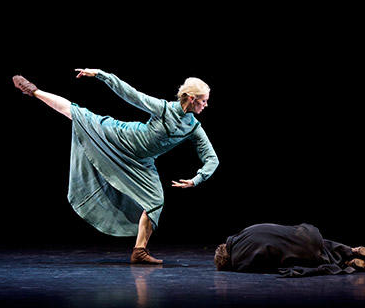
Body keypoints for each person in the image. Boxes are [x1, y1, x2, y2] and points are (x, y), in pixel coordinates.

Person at [12, 69, 219, 264]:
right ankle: (34, 91)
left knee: (155, 201)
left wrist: (197, 179)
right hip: (122, 139)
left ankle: (139, 251)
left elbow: (212, 158)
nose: (205, 105)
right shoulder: (164, 108)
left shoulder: (194, 127)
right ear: (192, 99)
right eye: (204, 101)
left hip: (142, 163)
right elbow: (130, 93)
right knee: (79, 115)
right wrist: (101, 75)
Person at [214, 223, 365, 277]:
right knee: (319, 244)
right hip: (308, 233)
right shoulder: (246, 232)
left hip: (305, 254)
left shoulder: (240, 263)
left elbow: (269, 269)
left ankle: (352, 264)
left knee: (305, 256)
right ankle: (354, 250)